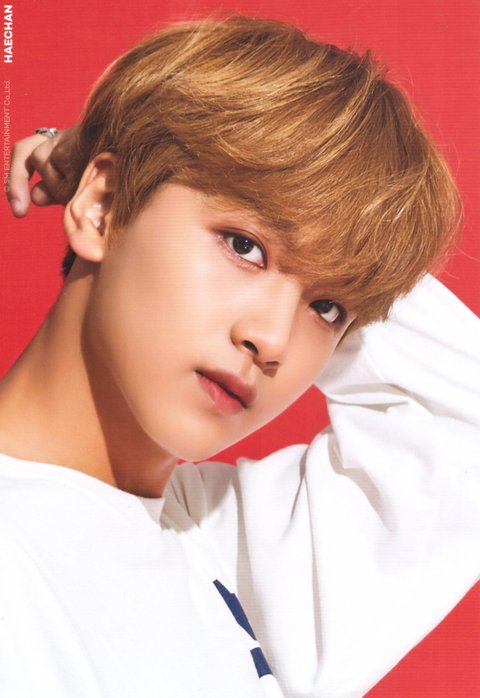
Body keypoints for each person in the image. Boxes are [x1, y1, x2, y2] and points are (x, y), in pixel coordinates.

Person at [2, 15, 479, 698]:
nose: (275, 340)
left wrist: (127, 144)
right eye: (244, 246)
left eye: (326, 308)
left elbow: (464, 423)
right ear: (102, 206)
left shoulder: (229, 549)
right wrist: (132, 144)